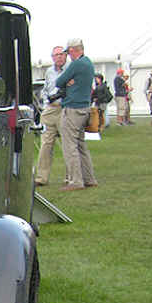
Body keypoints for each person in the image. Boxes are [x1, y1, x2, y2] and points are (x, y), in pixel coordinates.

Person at [55, 38, 98, 191]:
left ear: (73, 50)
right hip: (85, 108)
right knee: (81, 145)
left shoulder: (77, 64)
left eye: (69, 52)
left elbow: (59, 81)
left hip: (73, 108)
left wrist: (68, 81)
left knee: (70, 146)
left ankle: (75, 180)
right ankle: (89, 178)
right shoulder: (88, 63)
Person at [35, 46, 67, 186]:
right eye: (56, 55)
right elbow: (46, 88)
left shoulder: (70, 70)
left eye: (61, 54)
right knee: (45, 145)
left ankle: (71, 177)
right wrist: (47, 100)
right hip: (50, 109)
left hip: (64, 108)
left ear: (65, 56)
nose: (59, 57)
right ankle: (42, 177)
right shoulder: (49, 71)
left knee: (68, 144)